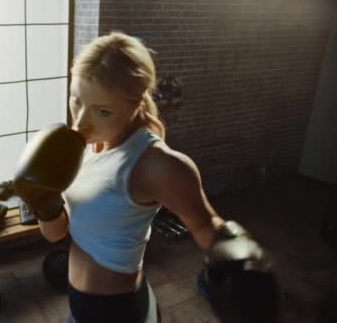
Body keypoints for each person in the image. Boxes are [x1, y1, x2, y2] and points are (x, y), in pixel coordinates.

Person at [14, 32, 278, 323]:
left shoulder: (154, 164)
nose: (80, 122)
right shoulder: (81, 147)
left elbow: (204, 224)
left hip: (117, 313)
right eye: (77, 101)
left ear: (135, 103)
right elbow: (56, 234)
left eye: (102, 111)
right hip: (80, 308)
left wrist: (234, 258)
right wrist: (45, 203)